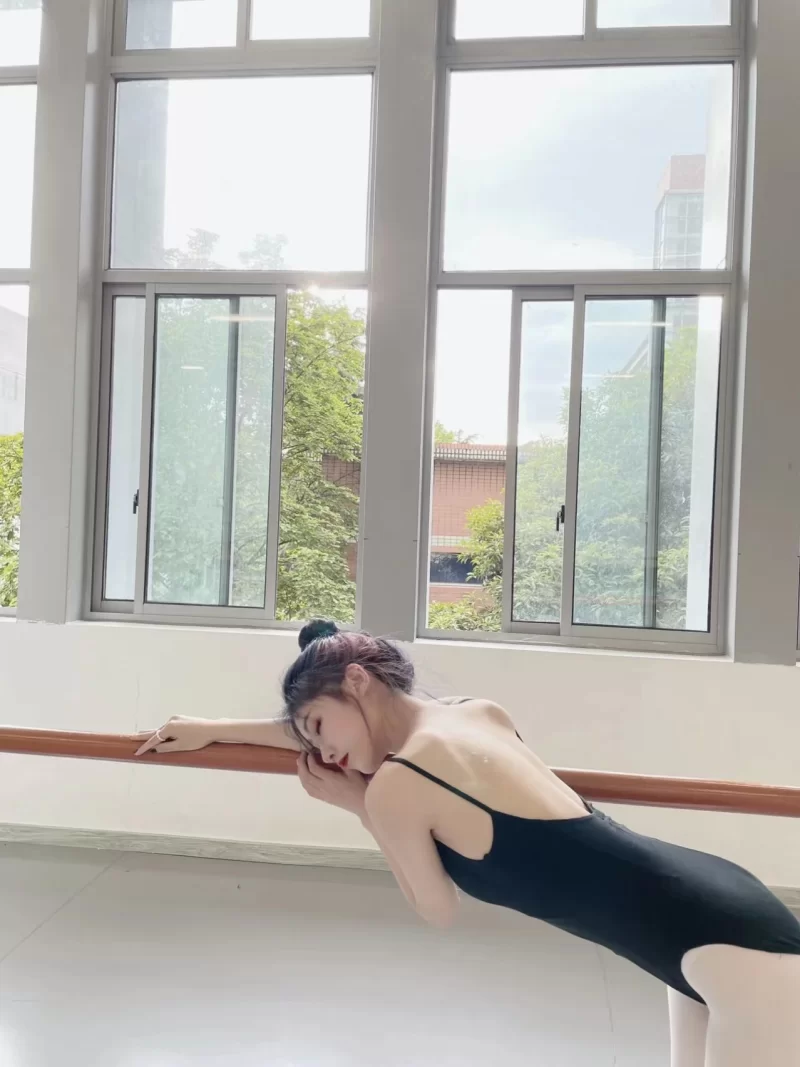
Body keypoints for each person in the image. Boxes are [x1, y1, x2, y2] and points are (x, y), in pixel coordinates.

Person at [137, 620, 800, 1067]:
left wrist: (359, 806)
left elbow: (437, 908)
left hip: (733, 952)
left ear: (358, 681)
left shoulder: (398, 785)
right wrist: (216, 728)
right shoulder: (473, 712)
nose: (322, 753)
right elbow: (344, 726)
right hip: (707, 914)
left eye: (317, 728)